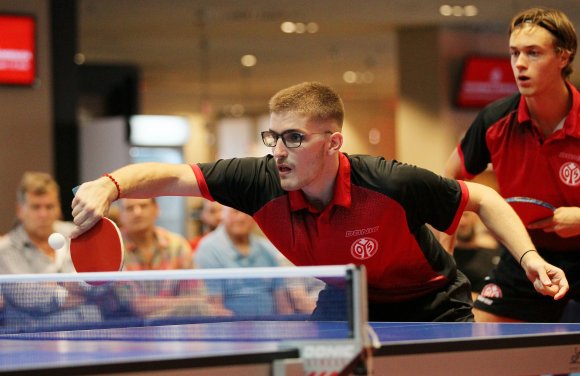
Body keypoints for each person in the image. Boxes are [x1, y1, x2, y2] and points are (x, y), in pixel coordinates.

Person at [71, 81, 568, 322]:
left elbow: (482, 196)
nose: (278, 152)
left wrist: (529, 259)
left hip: (430, 305)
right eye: (273, 137)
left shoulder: (388, 183)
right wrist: (109, 185)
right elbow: (172, 175)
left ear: (333, 143)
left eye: (293, 138)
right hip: (346, 299)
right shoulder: (260, 180)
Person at [444, 7, 579, 322]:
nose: (519, 64)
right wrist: (444, 257)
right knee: (480, 347)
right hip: (525, 256)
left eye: (533, 53)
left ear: (563, 57)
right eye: (514, 53)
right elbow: (448, 182)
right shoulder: (495, 119)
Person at [0, 172, 102, 329]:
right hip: (35, 339)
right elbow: (26, 295)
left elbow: (104, 275)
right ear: (20, 210)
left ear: (58, 207)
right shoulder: (5, 249)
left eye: (49, 206)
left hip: (94, 329)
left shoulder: (76, 233)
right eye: (36, 207)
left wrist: (79, 285)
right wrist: (66, 294)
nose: (44, 214)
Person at [114, 197, 223, 319]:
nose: (137, 212)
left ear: (156, 209)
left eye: (143, 206)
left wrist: (191, 304)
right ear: (120, 215)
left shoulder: (178, 245)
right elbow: (136, 306)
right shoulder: (113, 250)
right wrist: (187, 303)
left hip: (175, 326)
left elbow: (196, 295)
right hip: (127, 327)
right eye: (129, 208)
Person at [195, 206, 295, 316]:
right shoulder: (208, 249)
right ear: (222, 214)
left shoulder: (268, 248)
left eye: (247, 212)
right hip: (229, 326)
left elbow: (281, 300)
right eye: (235, 212)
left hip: (269, 326)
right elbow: (215, 307)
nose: (242, 218)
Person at [453, 211, 502, 299]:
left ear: (474, 216)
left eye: (465, 215)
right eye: (455, 217)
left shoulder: (498, 247)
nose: (462, 222)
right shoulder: (447, 258)